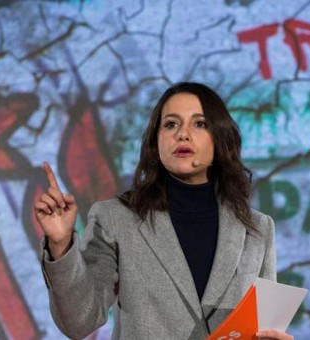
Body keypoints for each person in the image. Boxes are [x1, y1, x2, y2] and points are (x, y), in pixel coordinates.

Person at [35, 82, 294, 339]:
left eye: (200, 124)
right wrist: (60, 244)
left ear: (220, 139)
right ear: (155, 142)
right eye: (170, 124)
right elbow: (79, 322)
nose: (183, 134)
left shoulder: (259, 228)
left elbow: (263, 328)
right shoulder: (115, 218)